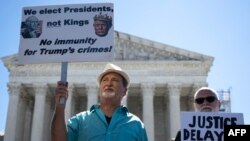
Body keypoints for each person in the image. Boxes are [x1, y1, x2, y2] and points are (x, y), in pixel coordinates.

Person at [51, 63, 148, 141]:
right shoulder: (80, 120)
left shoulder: (136, 125)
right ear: (99, 89)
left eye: (115, 80)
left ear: (124, 91)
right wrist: (60, 107)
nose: (109, 84)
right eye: (105, 80)